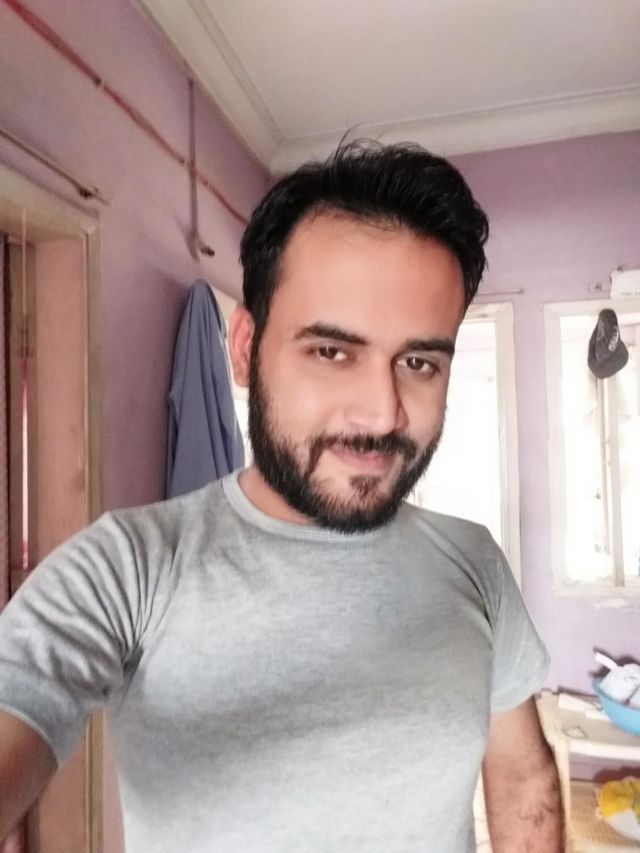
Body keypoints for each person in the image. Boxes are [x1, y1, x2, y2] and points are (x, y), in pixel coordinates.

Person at [0, 142, 563, 852]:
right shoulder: (127, 568)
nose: (382, 412)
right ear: (244, 347)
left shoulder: (474, 561)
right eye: (332, 351)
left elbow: (525, 783)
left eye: (418, 362)